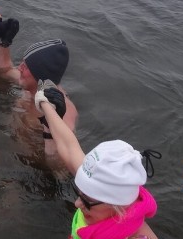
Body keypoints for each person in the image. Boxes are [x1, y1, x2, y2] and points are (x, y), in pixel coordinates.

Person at [36, 83, 160, 239]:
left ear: (118, 207)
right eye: (80, 195)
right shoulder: (98, 184)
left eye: (86, 202)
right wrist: (45, 103)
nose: (77, 204)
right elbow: (69, 146)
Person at [1, 39, 79, 156]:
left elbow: (60, 168)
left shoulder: (64, 116)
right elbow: (4, 71)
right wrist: (2, 44)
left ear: (40, 75)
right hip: (13, 145)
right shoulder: (31, 85)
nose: (19, 68)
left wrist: (50, 133)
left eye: (25, 66)